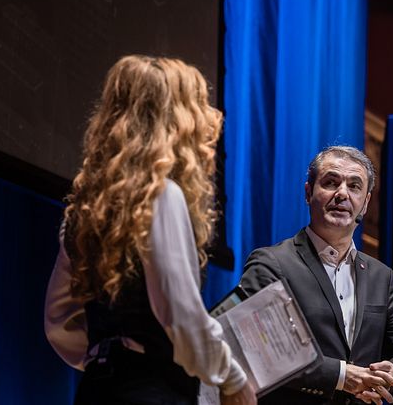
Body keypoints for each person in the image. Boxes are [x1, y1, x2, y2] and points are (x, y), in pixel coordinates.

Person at [44, 55, 256, 405]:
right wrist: (230, 376)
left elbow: (59, 322)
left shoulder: (86, 208)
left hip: (98, 390)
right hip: (151, 390)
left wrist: (109, 353)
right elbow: (180, 314)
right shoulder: (162, 196)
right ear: (177, 119)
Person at [239, 146, 393, 405]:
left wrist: (392, 372)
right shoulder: (271, 264)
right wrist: (340, 376)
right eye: (330, 182)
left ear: (366, 203)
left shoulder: (381, 277)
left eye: (354, 186)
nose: (342, 194)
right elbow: (258, 351)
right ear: (308, 192)